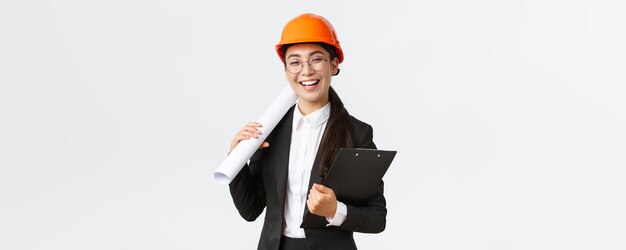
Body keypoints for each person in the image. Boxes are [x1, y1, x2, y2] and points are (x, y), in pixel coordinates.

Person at [227, 13, 386, 250]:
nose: (306, 70)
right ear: (286, 70)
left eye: (316, 59)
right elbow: (250, 210)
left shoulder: (357, 133)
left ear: (334, 64)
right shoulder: (270, 131)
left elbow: (376, 218)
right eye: (295, 62)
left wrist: (335, 211)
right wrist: (236, 160)